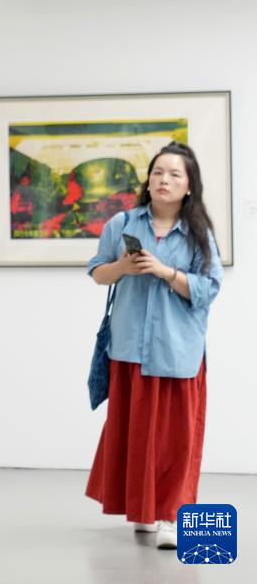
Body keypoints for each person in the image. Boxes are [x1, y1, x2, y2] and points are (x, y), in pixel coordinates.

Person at [85, 142, 223, 550]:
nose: (164, 179)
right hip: (129, 349)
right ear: (148, 180)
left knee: (177, 440)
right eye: (158, 172)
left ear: (189, 186)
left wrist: (165, 272)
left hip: (177, 351)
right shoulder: (123, 223)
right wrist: (123, 267)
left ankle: (173, 517)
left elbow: (208, 288)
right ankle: (144, 512)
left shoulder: (199, 234)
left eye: (174, 174)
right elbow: (98, 273)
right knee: (136, 436)